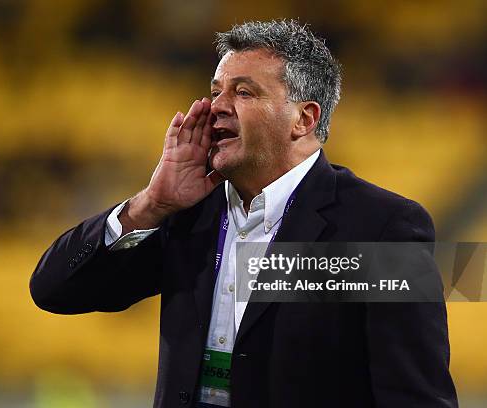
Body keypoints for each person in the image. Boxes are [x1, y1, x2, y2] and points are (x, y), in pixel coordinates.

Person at [30, 19, 458, 408]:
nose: (217, 105)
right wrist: (150, 205)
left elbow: (416, 396)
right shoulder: (188, 213)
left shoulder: (382, 227)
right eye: (216, 90)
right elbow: (54, 290)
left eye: (243, 92)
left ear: (303, 119)